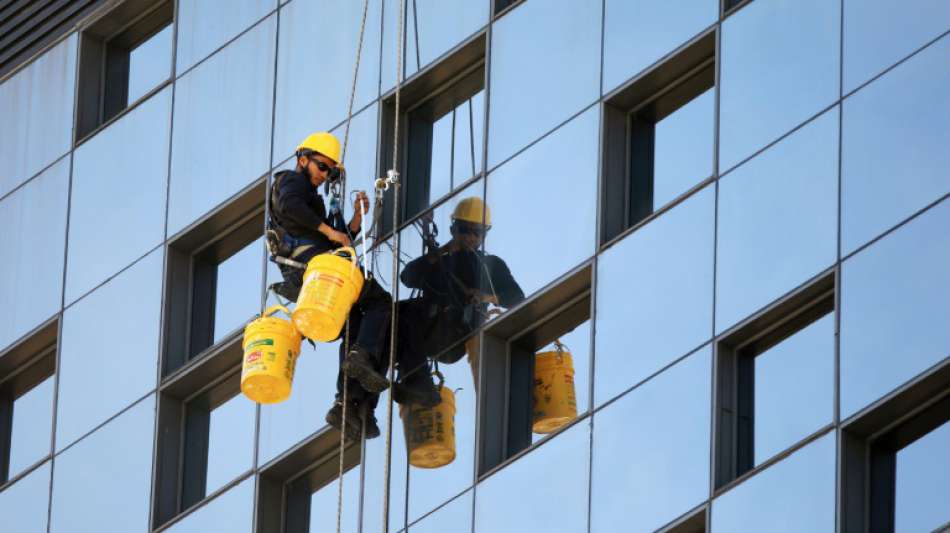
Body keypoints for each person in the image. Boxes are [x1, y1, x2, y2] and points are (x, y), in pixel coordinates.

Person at [267, 131, 390, 441]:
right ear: (303, 159)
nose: (325, 176)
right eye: (322, 167)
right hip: (309, 265)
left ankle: (345, 402)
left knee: (357, 321)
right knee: (379, 301)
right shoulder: (289, 182)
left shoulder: (314, 202)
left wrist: (355, 222)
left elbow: (335, 238)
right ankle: (360, 356)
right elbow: (292, 208)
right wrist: (329, 231)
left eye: (331, 172)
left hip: (316, 266)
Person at [393, 197, 524, 407]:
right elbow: (407, 278)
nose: (470, 237)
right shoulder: (441, 260)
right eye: (464, 229)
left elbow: (516, 298)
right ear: (454, 229)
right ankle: (406, 380)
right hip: (428, 330)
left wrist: (485, 296)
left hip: (457, 333)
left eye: (477, 232)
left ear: (484, 235)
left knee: (409, 313)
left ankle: (418, 381)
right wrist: (442, 251)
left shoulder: (490, 265)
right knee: (393, 314)